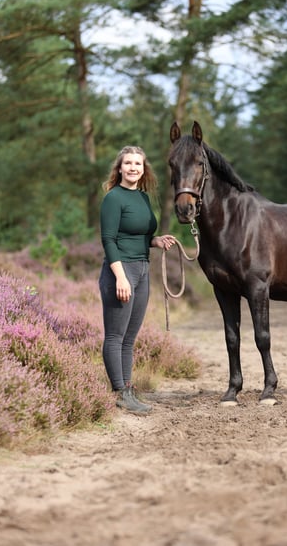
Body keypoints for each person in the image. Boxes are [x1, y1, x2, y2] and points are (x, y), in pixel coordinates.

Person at [99, 146, 177, 414]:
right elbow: (109, 240)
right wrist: (120, 277)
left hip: (143, 270)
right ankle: (119, 393)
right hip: (121, 271)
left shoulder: (143, 198)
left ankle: (128, 390)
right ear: (119, 168)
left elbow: (138, 236)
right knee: (115, 335)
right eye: (128, 163)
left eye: (138, 164)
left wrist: (155, 241)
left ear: (144, 169)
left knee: (130, 338)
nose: (133, 168)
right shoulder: (113, 198)